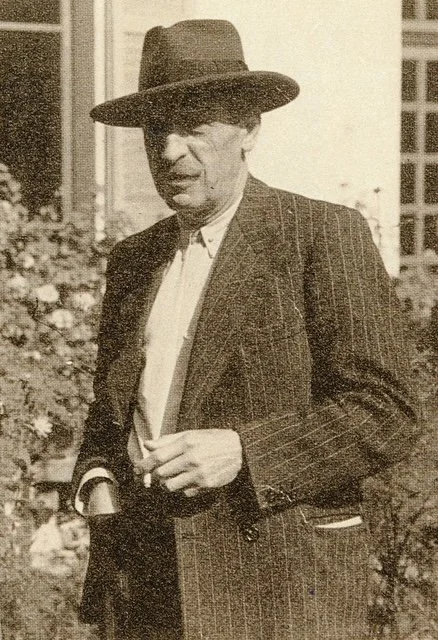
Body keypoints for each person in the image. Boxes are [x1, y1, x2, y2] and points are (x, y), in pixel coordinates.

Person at [72, 19, 420, 640]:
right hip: (147, 581)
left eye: (194, 127)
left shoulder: (320, 236)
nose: (170, 151)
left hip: (274, 585)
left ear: (249, 130)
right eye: (156, 131)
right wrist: (98, 478)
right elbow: (110, 412)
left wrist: (245, 451)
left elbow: (386, 411)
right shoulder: (132, 260)